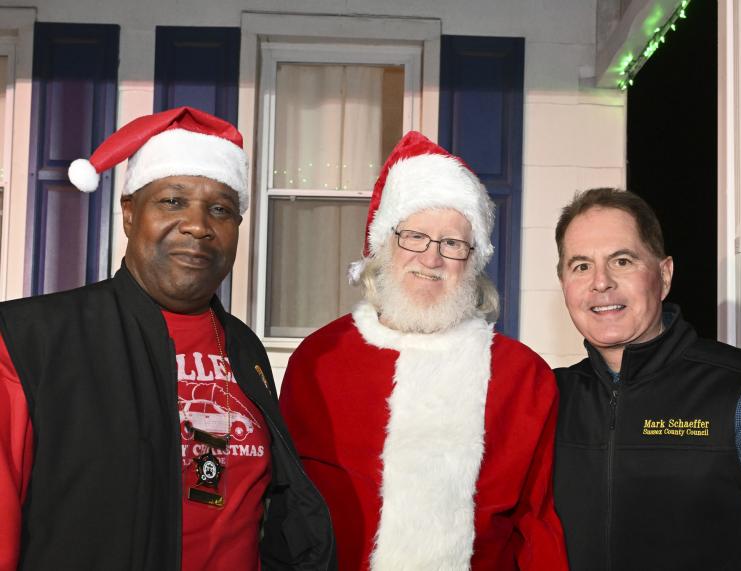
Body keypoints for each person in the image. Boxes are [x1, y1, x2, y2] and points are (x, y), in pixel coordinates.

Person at [0, 107, 335, 570]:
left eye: (220, 209)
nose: (198, 225)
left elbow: (253, 501)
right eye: (173, 201)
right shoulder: (29, 340)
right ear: (130, 213)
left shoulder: (243, 349)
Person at [278, 131, 568, 570]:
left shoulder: (523, 377)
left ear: (473, 261)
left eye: (452, 243)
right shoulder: (320, 359)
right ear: (384, 246)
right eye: (414, 236)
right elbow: (285, 509)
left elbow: (537, 527)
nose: (431, 259)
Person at [552, 187, 741, 570]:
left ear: (664, 275)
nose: (600, 282)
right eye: (581, 266)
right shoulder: (549, 398)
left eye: (622, 261)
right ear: (564, 283)